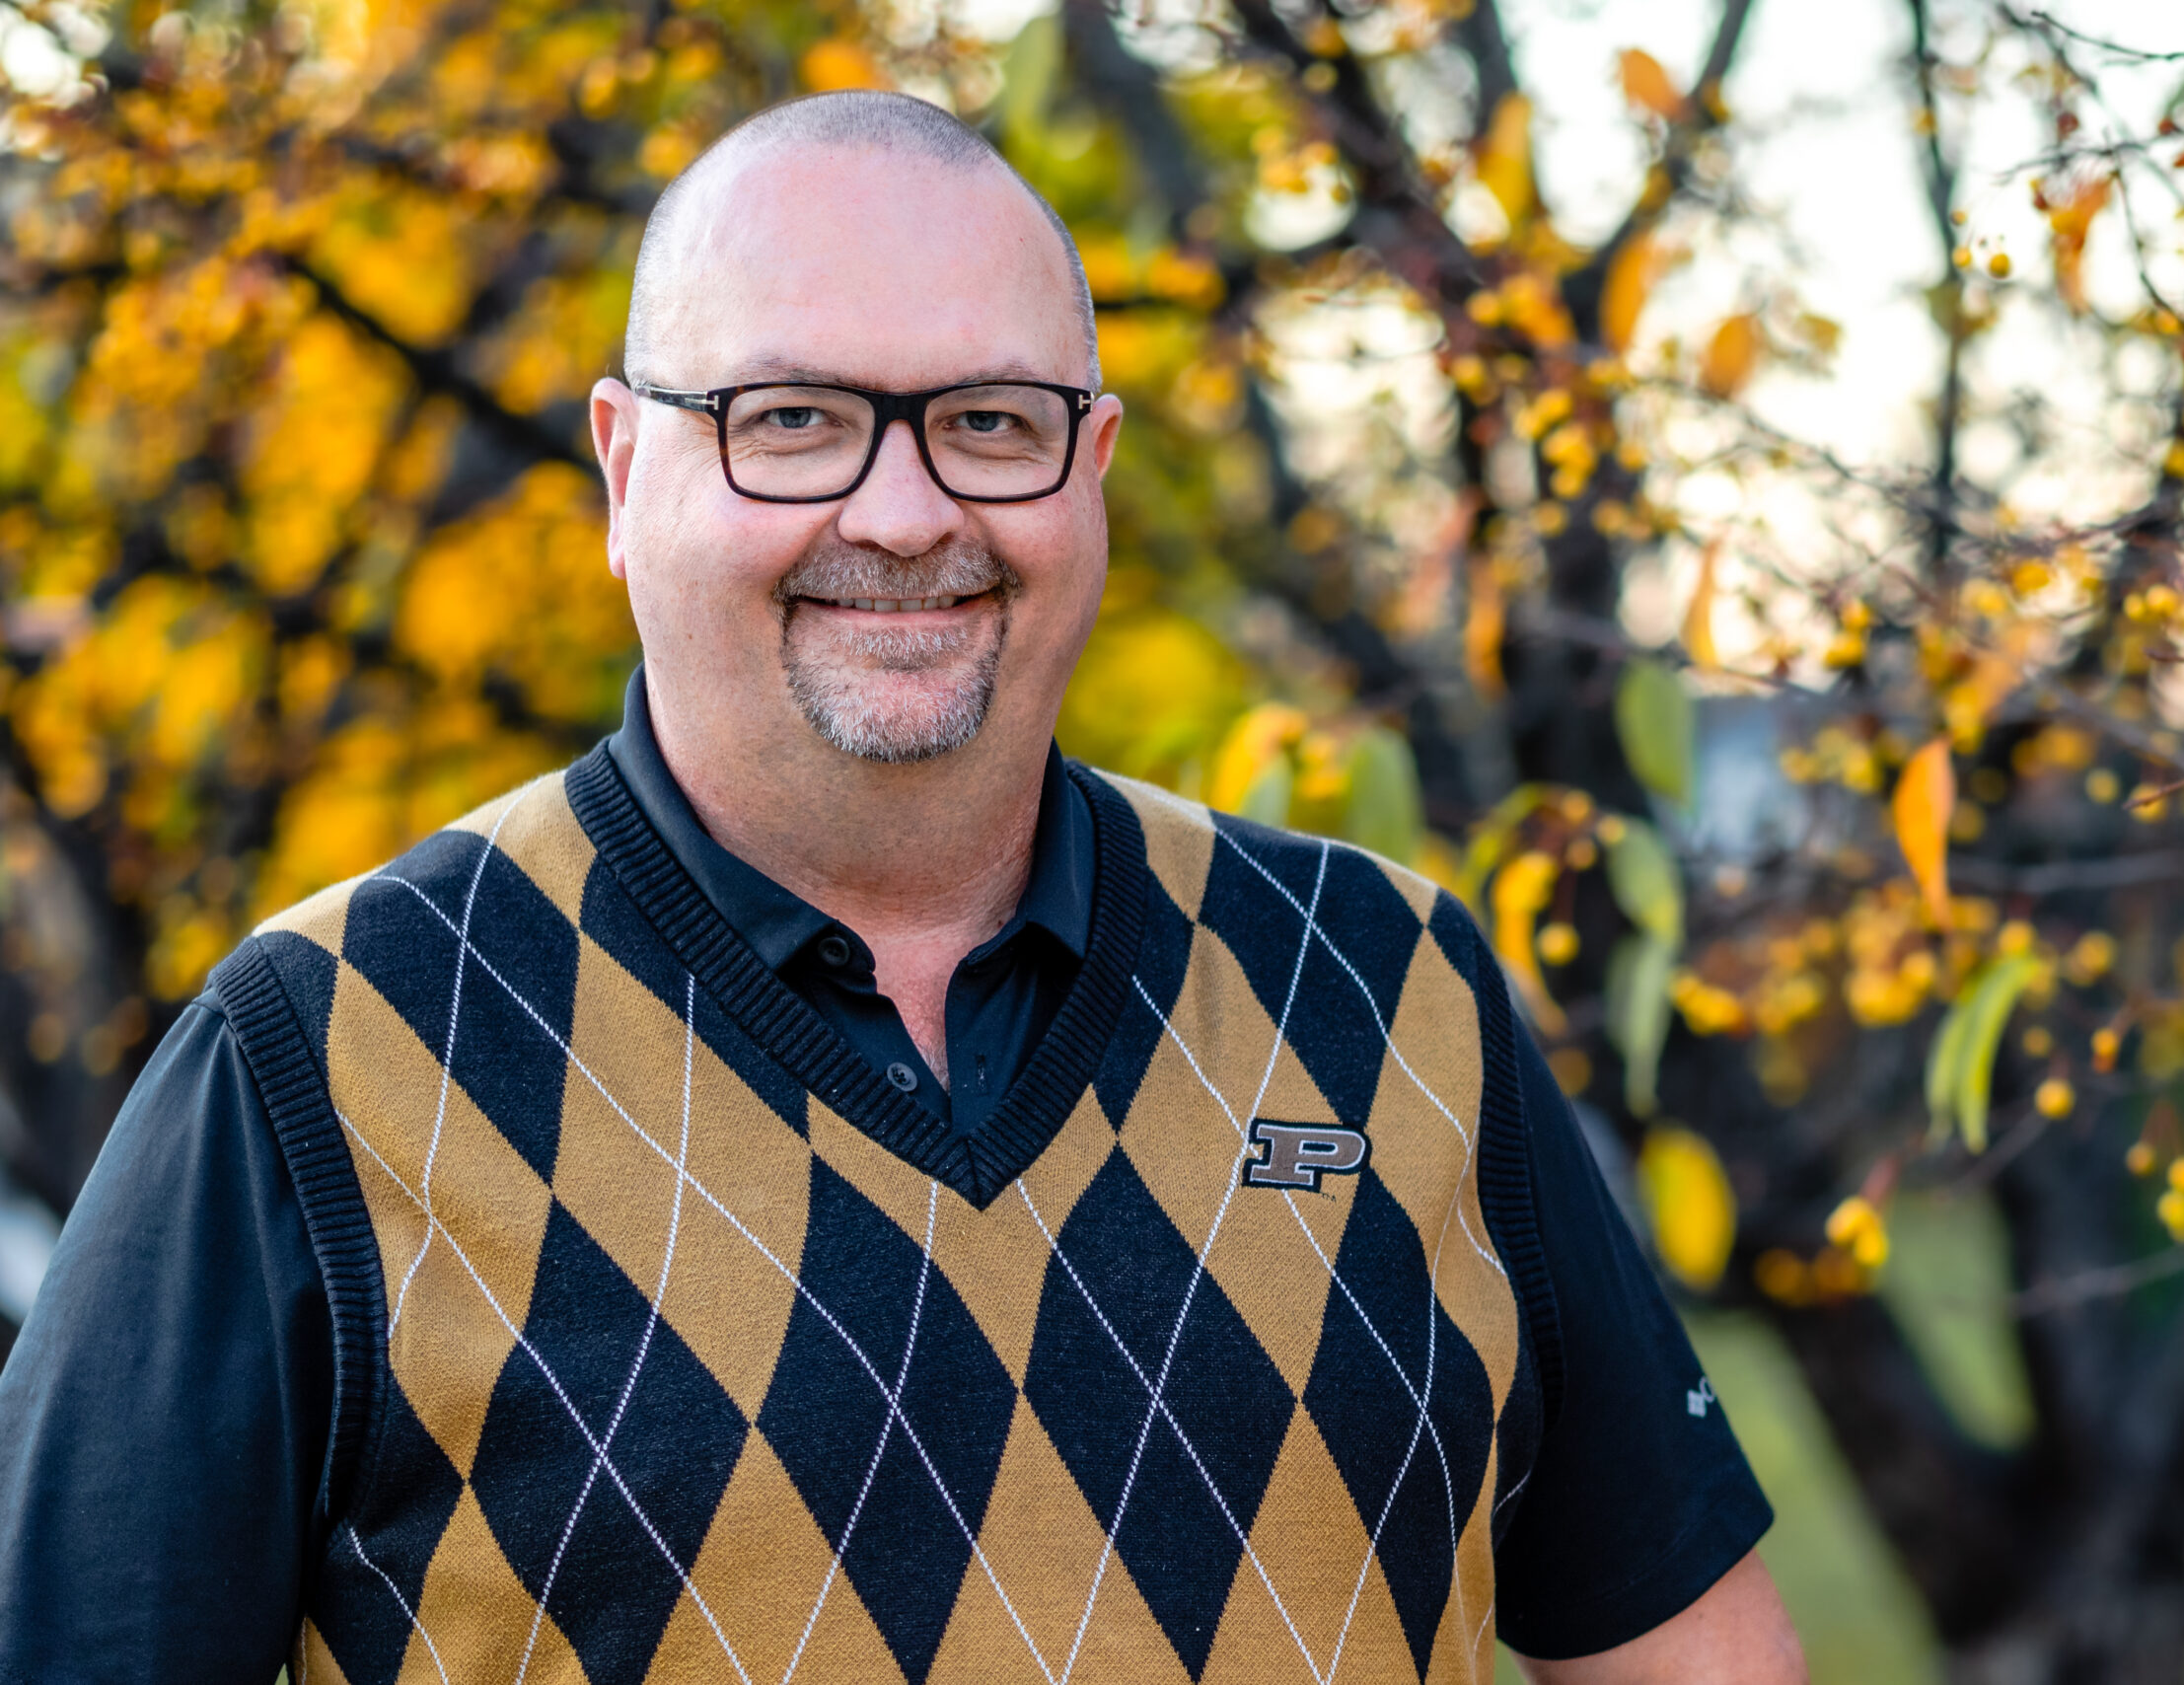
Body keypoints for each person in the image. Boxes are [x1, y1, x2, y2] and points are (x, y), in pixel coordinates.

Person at [0, 92, 1803, 1685]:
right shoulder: (320, 1063)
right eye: (792, 420)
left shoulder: (1386, 991)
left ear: (1087, 468)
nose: (902, 509)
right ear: (629, 471)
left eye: (991, 424)